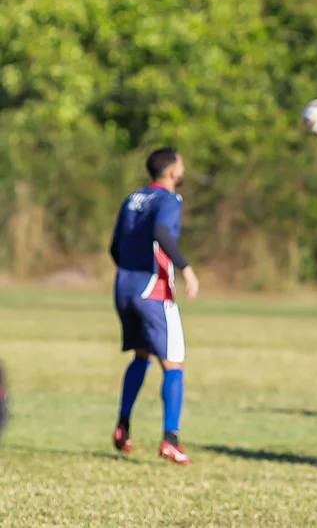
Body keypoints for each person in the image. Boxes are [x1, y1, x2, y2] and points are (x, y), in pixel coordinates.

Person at [109, 147, 200, 465]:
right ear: (174, 171)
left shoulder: (133, 198)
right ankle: (170, 439)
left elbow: (115, 246)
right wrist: (186, 268)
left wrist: (128, 276)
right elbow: (161, 232)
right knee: (173, 364)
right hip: (153, 290)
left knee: (142, 356)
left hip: (124, 288)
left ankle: (123, 426)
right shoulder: (169, 199)